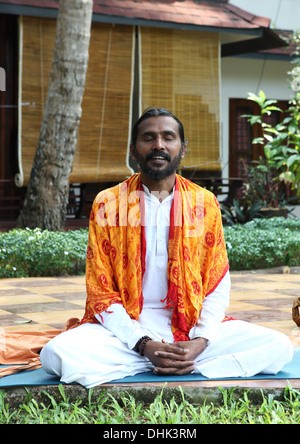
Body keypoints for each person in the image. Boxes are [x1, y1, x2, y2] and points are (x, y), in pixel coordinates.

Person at [40, 107, 294, 388]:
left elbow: (216, 283)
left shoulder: (203, 203)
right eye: (148, 138)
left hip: (190, 325)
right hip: (128, 332)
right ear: (134, 150)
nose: (159, 145)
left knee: (278, 345)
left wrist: (199, 341)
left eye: (168, 137)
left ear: (182, 149)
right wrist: (143, 344)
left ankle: (181, 359)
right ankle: (165, 361)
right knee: (55, 355)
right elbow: (100, 291)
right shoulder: (108, 203)